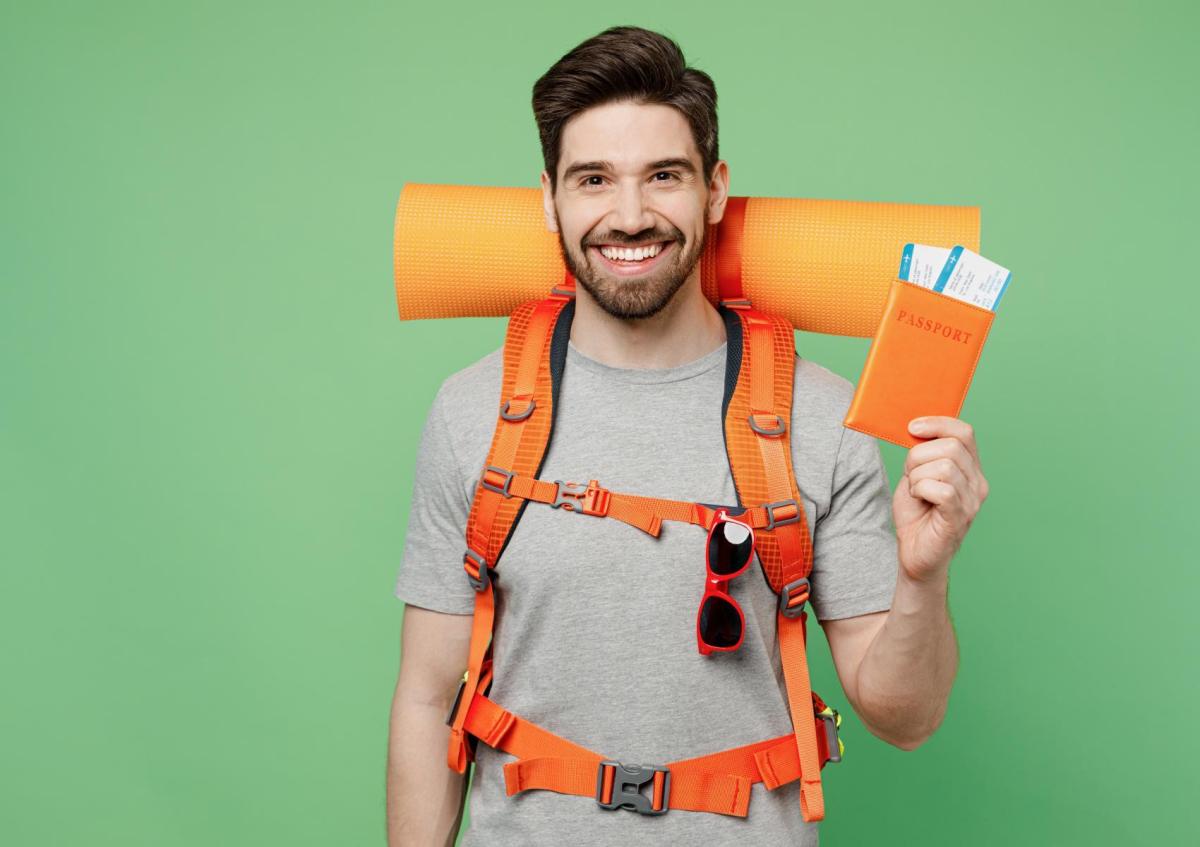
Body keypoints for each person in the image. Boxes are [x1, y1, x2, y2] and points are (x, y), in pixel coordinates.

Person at [386, 25, 988, 847]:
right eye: (593, 179)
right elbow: (426, 699)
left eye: (663, 176)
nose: (629, 217)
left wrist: (924, 575)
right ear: (548, 199)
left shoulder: (822, 419)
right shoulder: (473, 412)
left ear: (714, 189)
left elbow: (905, 718)